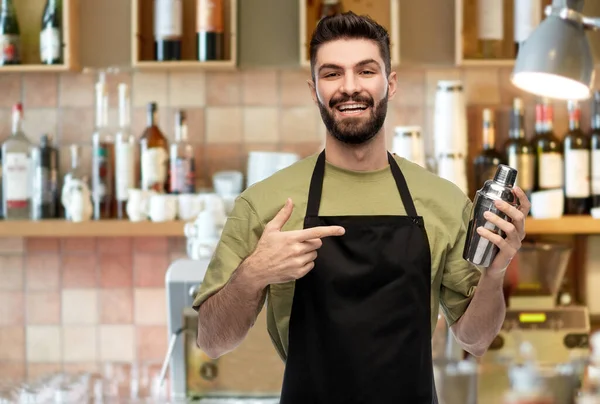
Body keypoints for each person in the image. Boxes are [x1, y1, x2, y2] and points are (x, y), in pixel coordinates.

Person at [192, 11, 531, 404]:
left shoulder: (442, 199)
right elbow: (211, 341)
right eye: (332, 73)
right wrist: (252, 274)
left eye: (366, 71)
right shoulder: (266, 203)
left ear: (390, 83)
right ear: (313, 88)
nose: (349, 88)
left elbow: (475, 337)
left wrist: (494, 275)